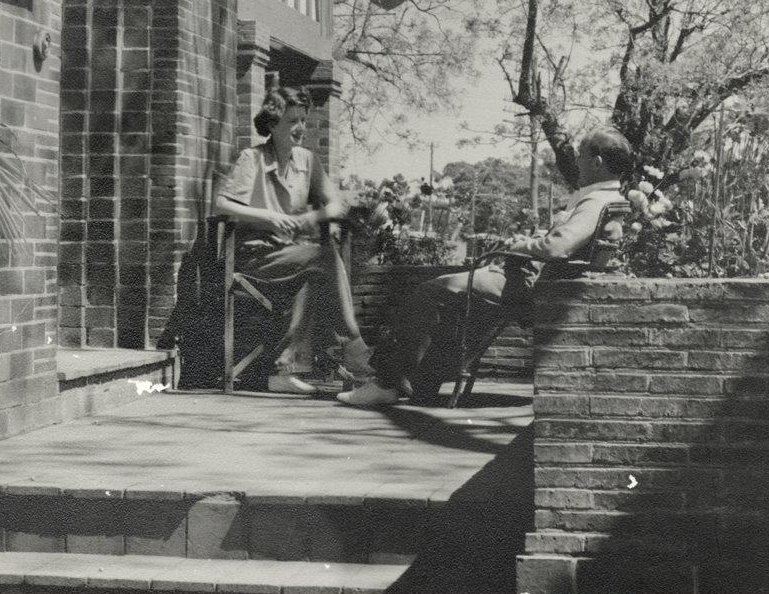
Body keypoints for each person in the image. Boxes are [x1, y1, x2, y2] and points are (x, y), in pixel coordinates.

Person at [338, 126, 632, 408]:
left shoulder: (595, 202)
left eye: (581, 152)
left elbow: (558, 247)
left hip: (529, 284)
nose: (576, 158)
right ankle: (417, 382)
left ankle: (385, 384)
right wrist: (530, 240)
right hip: (534, 278)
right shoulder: (603, 198)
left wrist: (517, 247)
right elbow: (560, 243)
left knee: (431, 291)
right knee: (450, 297)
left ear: (597, 162)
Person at [213, 86, 374, 394]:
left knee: (313, 273)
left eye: (303, 120)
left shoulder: (307, 161)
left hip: (292, 257)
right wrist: (268, 217)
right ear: (272, 125)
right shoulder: (252, 158)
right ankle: (353, 350)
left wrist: (309, 218)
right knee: (323, 258)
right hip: (254, 259)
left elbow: (336, 204)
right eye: (292, 122)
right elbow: (221, 205)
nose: (301, 128)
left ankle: (282, 371)